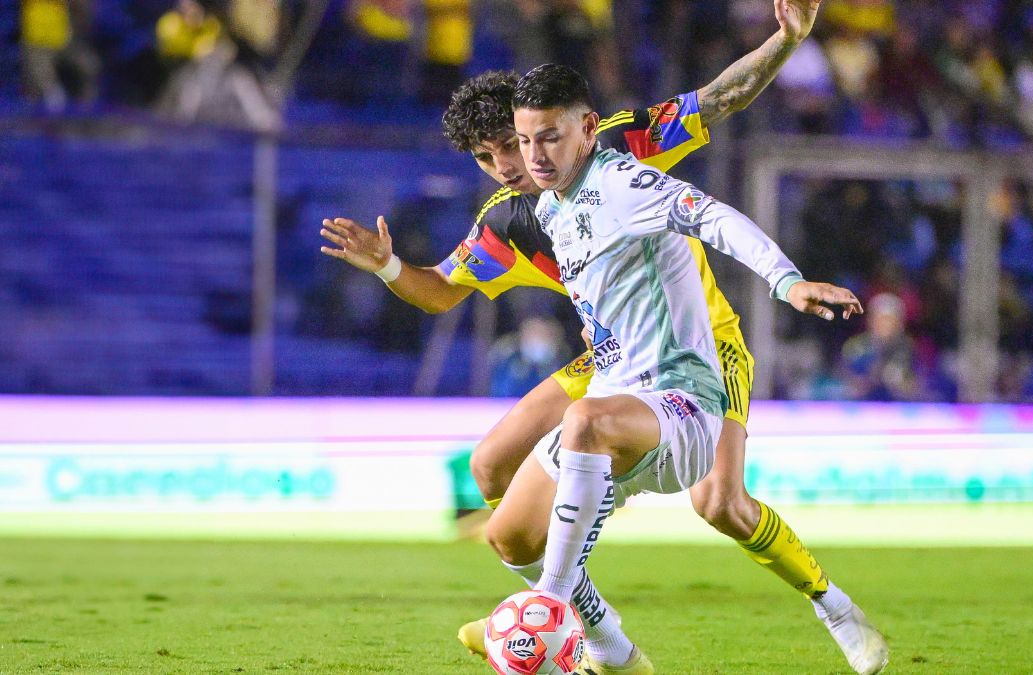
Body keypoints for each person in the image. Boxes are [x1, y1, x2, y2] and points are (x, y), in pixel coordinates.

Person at [319, 3, 886, 672]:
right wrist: (387, 264)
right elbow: (440, 290)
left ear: (562, 128)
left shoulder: (620, 150)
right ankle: (600, 635)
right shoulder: (509, 220)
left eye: (516, 141)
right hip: (612, 353)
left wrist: (785, 42)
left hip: (699, 342)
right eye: (489, 155)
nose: (509, 163)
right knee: (491, 472)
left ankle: (829, 603)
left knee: (720, 502)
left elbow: (722, 100)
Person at [479, 62, 883, 674]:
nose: (533, 156)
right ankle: (613, 648)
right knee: (509, 537)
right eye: (525, 139)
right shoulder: (554, 207)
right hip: (621, 405)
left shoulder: (620, 182)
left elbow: (712, 217)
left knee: (606, 433)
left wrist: (786, 282)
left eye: (550, 138)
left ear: (588, 129)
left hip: (683, 406)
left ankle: (551, 609)